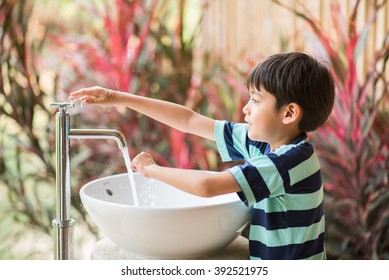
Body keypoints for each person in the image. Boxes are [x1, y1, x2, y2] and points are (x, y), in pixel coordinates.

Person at [69, 51, 335, 260]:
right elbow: (190, 120)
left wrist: (152, 170)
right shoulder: (265, 143)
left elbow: (208, 187)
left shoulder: (288, 162)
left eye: (255, 100)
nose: (245, 109)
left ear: (289, 114)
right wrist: (116, 97)